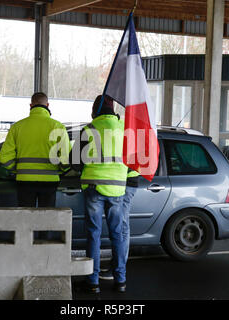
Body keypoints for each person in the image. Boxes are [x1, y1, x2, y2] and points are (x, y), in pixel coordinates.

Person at [70, 95, 128, 293]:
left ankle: (93, 282)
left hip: (93, 188)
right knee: (117, 234)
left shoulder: (89, 130)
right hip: (117, 190)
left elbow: (75, 162)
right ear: (113, 110)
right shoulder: (124, 130)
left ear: (95, 111)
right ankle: (120, 281)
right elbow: (134, 161)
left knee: (93, 234)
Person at [0, 92, 70, 208]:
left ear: (30, 105)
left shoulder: (17, 127)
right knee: (46, 218)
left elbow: (4, 157)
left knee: (26, 219)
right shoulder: (58, 127)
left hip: (24, 180)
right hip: (50, 181)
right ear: (47, 105)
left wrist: (17, 169)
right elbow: (66, 159)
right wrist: (60, 170)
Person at [99, 168, 139, 281]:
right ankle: (117, 266)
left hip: (124, 180)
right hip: (125, 179)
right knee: (122, 226)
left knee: (122, 226)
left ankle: (118, 269)